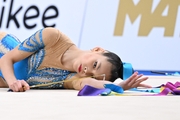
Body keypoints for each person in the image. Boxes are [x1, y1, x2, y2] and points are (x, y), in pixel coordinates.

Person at [0, 27, 151, 92]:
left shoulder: (72, 78)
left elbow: (91, 83)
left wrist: (120, 86)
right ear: (97, 50)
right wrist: (14, 82)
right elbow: (7, 59)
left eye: (92, 73)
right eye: (95, 64)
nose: (87, 71)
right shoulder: (53, 37)